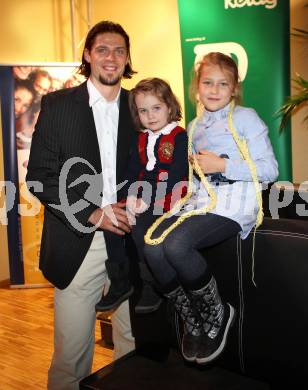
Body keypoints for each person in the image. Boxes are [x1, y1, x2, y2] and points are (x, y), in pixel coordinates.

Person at [143, 52, 278, 365]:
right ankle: (192, 316)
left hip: (238, 202)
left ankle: (216, 313)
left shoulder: (245, 117)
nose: (214, 89)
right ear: (196, 88)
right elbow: (197, 177)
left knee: (177, 245)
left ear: (233, 89)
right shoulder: (193, 126)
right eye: (208, 82)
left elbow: (270, 169)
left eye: (223, 84)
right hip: (203, 200)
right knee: (152, 248)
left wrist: (223, 164)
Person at [26, 20, 137, 390]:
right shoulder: (58, 106)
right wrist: (92, 213)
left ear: (127, 59)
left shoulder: (140, 106)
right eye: (102, 49)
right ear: (88, 55)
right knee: (72, 358)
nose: (111, 57)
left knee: (136, 347)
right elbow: (40, 176)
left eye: (119, 50)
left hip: (132, 244)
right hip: (78, 242)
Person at [95, 78, 188, 314]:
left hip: (170, 195)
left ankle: (151, 285)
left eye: (156, 108)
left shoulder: (178, 136)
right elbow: (133, 171)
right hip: (143, 194)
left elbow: (177, 176)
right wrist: (130, 196)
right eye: (143, 110)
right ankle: (120, 279)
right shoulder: (142, 138)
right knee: (113, 218)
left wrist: (147, 199)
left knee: (140, 232)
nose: (150, 116)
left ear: (169, 106)